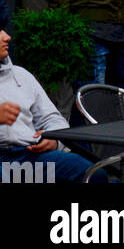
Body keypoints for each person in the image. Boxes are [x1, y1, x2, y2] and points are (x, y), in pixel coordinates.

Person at [0, 28, 101, 183]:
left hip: (29, 161)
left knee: (93, 174)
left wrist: (54, 140)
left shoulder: (21, 75)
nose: (7, 37)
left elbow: (53, 119)